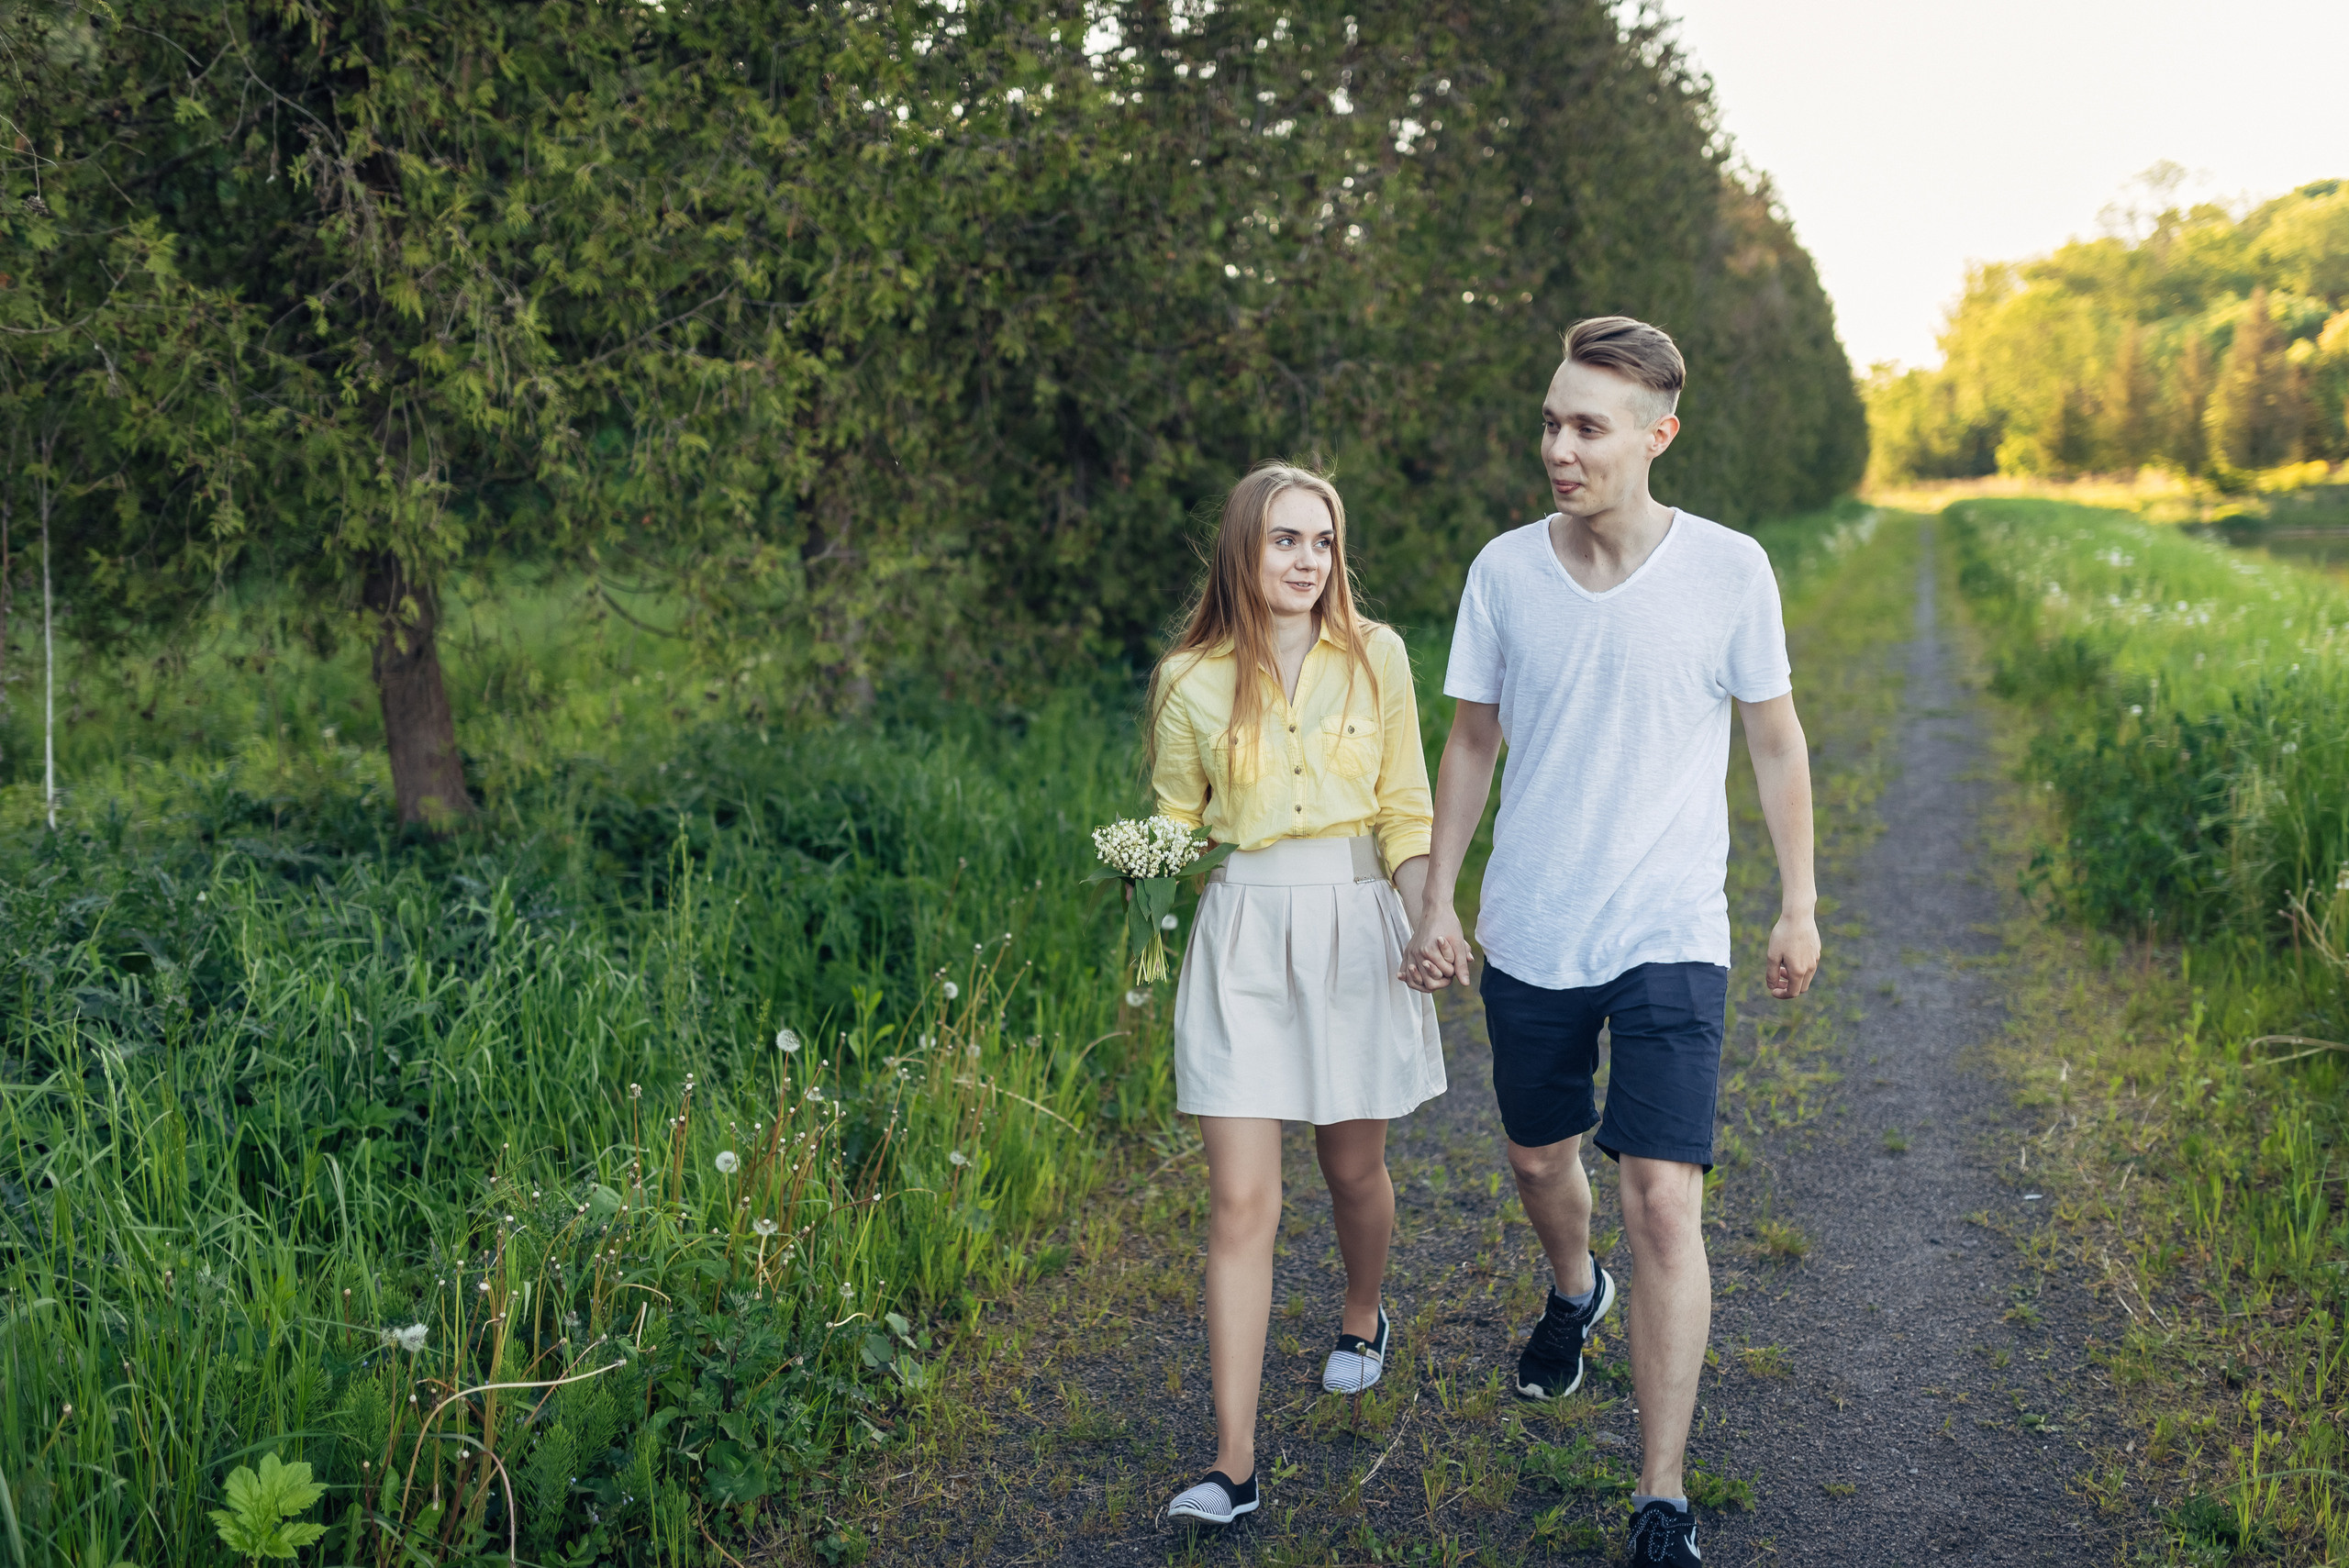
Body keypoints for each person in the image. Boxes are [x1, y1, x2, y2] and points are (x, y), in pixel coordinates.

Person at [1399, 317, 1820, 1568]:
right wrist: (1438, 897)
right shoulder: (1503, 572)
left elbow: (1777, 740)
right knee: (1541, 1163)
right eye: (1549, 422)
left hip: (1670, 926)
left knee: (1660, 1196)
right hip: (1534, 924)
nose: (1559, 448)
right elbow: (1472, 740)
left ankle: (1661, 1496)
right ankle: (1573, 1291)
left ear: (1656, 435)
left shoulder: (1731, 570)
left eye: (1586, 425)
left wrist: (1799, 899)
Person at [1148, 462, 1448, 1527]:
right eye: (1284, 540)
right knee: (1241, 1201)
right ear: (1244, 547)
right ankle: (1235, 1463)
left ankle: (1362, 1314)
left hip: (1353, 925)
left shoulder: (1381, 659)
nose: (1306, 560)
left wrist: (1430, 912)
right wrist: (1142, 869)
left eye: (1321, 541)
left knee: (1350, 1162)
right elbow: (1177, 822)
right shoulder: (1189, 679)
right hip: (1241, 937)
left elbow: (1405, 812)